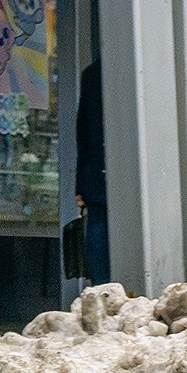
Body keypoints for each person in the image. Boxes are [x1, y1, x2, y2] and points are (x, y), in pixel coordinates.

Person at [75, 60, 110, 283]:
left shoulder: (92, 74)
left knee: (97, 227)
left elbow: (83, 133)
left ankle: (101, 288)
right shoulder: (145, 68)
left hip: (96, 168)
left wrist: (80, 183)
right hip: (131, 172)